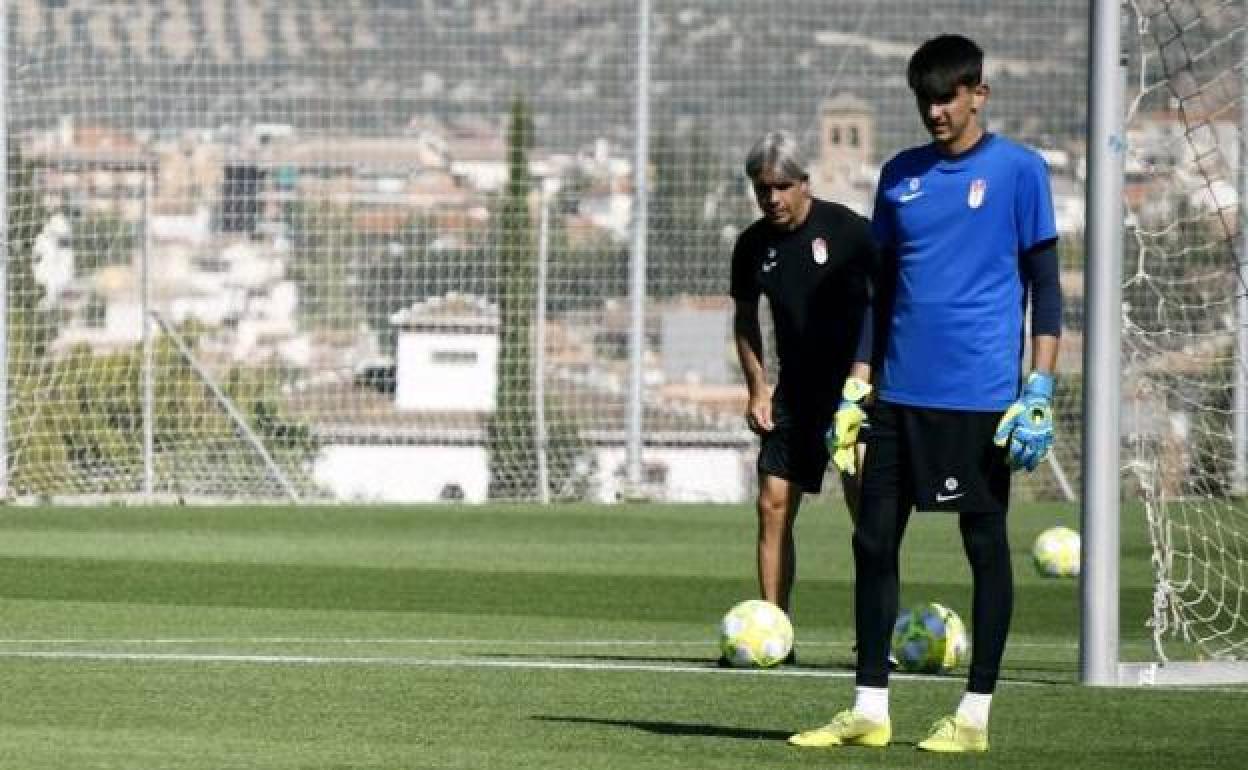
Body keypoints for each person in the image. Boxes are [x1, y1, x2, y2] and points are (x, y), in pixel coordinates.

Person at [789, 34, 1062, 752]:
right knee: (872, 540)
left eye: (946, 97)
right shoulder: (899, 175)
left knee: (983, 543)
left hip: (975, 399)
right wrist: (856, 390)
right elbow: (881, 292)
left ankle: (974, 718)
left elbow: (1047, 288)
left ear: (979, 94)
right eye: (924, 99)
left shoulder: (1020, 172)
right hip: (895, 398)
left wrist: (1039, 386)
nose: (935, 110)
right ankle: (869, 710)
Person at [729, 130, 877, 665]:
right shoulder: (751, 245)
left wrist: (864, 386)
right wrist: (757, 386)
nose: (770, 197)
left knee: (867, 511)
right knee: (771, 506)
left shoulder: (848, 230)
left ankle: (874, 636)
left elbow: (882, 304)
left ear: (803, 183)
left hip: (855, 395)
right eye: (761, 187)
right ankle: (774, 635)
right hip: (795, 393)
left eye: (781, 186)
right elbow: (746, 319)